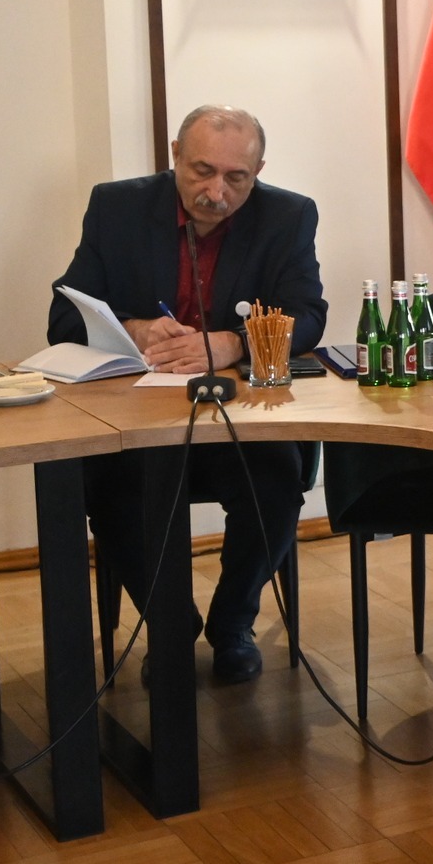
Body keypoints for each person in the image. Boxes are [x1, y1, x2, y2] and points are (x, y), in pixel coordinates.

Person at [49, 105, 325, 682]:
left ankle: (233, 623)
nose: (216, 193)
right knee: (106, 484)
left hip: (236, 417)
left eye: (236, 178)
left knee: (278, 480)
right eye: (202, 171)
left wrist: (230, 343)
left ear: (258, 172)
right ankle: (171, 626)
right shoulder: (116, 208)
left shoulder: (288, 216)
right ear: (175, 154)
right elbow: (63, 319)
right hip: (139, 420)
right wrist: (134, 330)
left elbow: (308, 317)